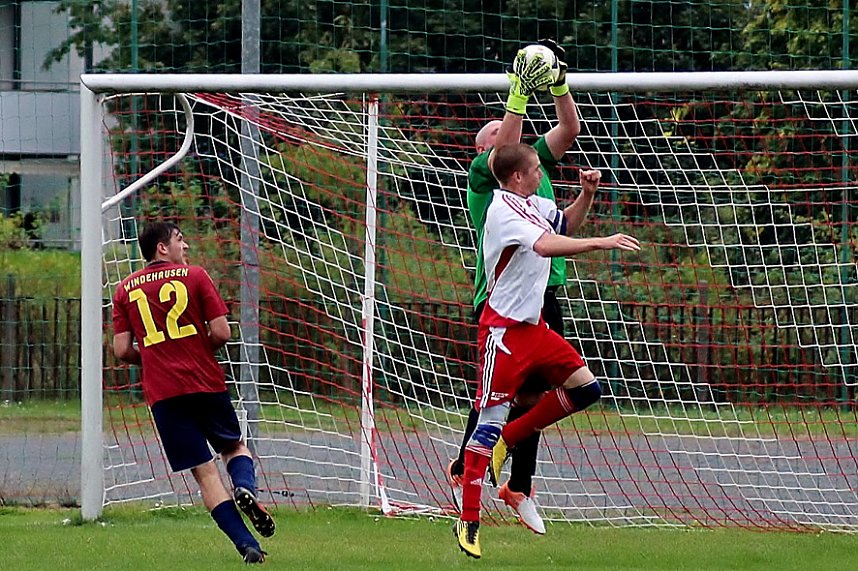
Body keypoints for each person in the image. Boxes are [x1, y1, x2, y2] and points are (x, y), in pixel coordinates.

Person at [453, 144, 640, 558]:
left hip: (534, 329)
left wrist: (587, 194)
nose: (542, 174)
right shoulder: (501, 211)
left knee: (586, 389)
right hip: (503, 334)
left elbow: (565, 224)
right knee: (486, 425)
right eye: (536, 169)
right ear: (516, 176)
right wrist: (601, 243)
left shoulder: (532, 202)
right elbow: (545, 246)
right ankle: (468, 520)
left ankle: (510, 438)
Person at [447, 38, 588, 535]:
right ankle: (471, 469)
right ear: (489, 155)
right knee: (501, 397)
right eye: (499, 136)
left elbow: (569, 128)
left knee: (541, 395)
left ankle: (516, 485)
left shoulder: (533, 168)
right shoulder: (486, 180)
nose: (513, 135)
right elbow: (505, 146)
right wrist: (518, 92)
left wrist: (559, 84)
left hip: (542, 296)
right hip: (501, 304)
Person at [111, 221, 275, 564]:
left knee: (204, 472)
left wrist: (156, 356)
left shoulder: (124, 290)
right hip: (204, 381)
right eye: (180, 240)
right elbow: (222, 332)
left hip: (164, 393)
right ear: (162, 247)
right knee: (233, 446)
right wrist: (196, 348)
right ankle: (245, 487)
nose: (185, 247)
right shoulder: (196, 276)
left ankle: (247, 545)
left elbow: (122, 349)